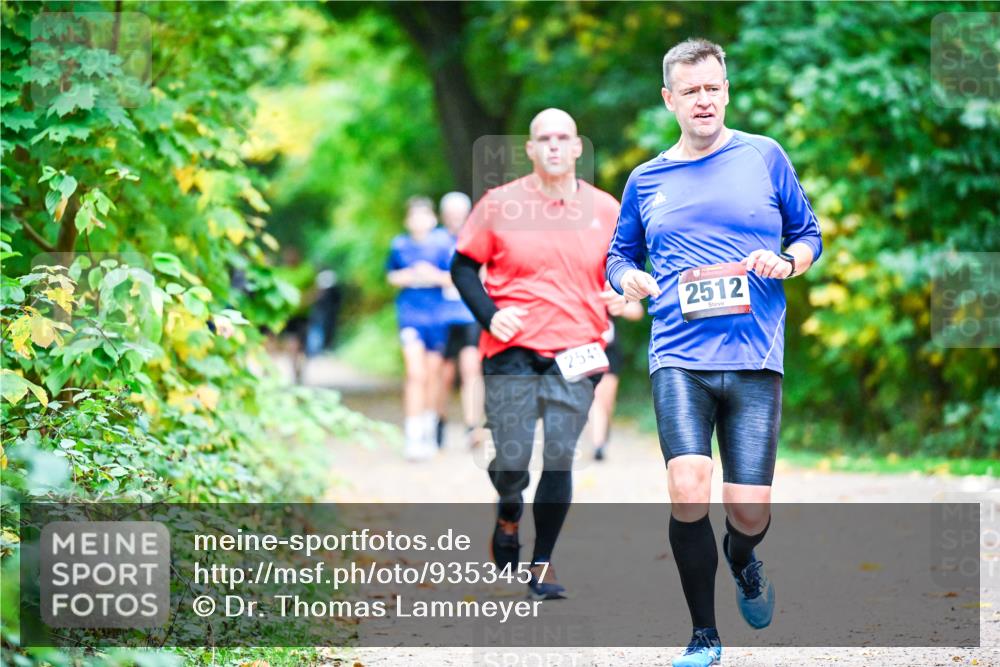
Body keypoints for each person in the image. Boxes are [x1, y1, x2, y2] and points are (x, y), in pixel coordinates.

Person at [606, 39, 822, 667]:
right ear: (669, 99)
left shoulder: (765, 157)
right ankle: (704, 635)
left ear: (726, 91)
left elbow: (807, 233)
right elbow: (620, 255)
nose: (704, 100)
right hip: (678, 353)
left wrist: (786, 262)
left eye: (713, 88)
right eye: (690, 91)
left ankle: (745, 560)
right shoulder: (647, 179)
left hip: (755, 354)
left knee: (748, 512)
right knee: (686, 485)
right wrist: (627, 279)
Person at [451, 108, 624, 600]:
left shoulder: (604, 209)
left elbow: (624, 269)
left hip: (578, 348)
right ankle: (509, 510)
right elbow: (463, 268)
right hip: (512, 349)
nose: (553, 145)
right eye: (543, 138)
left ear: (576, 148)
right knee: (511, 458)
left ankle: (543, 562)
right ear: (529, 149)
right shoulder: (499, 204)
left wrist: (623, 293)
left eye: (562, 137)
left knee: (561, 458)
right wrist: (489, 315)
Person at [386, 196, 452, 461]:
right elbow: (391, 275)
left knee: (433, 375)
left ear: (432, 219)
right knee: (415, 373)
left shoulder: (444, 245)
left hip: (437, 317)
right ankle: (413, 435)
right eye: (413, 217)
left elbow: (456, 278)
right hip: (410, 316)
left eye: (423, 216)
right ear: (407, 221)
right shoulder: (399, 246)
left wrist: (431, 275)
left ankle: (428, 426)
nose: (418, 222)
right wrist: (410, 275)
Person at [435, 191, 486, 450]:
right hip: (440, 318)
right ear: (444, 215)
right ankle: (439, 419)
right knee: (443, 375)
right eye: (450, 214)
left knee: (471, 369)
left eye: (459, 214)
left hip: (468, 315)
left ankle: (472, 425)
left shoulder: (475, 238)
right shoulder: (435, 240)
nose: (455, 218)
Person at [591, 282, 644, 461]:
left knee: (607, 400)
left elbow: (637, 311)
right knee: (596, 397)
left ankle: (603, 436)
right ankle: (597, 444)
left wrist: (617, 306)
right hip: (587, 347)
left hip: (610, 348)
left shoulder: (611, 279)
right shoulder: (577, 278)